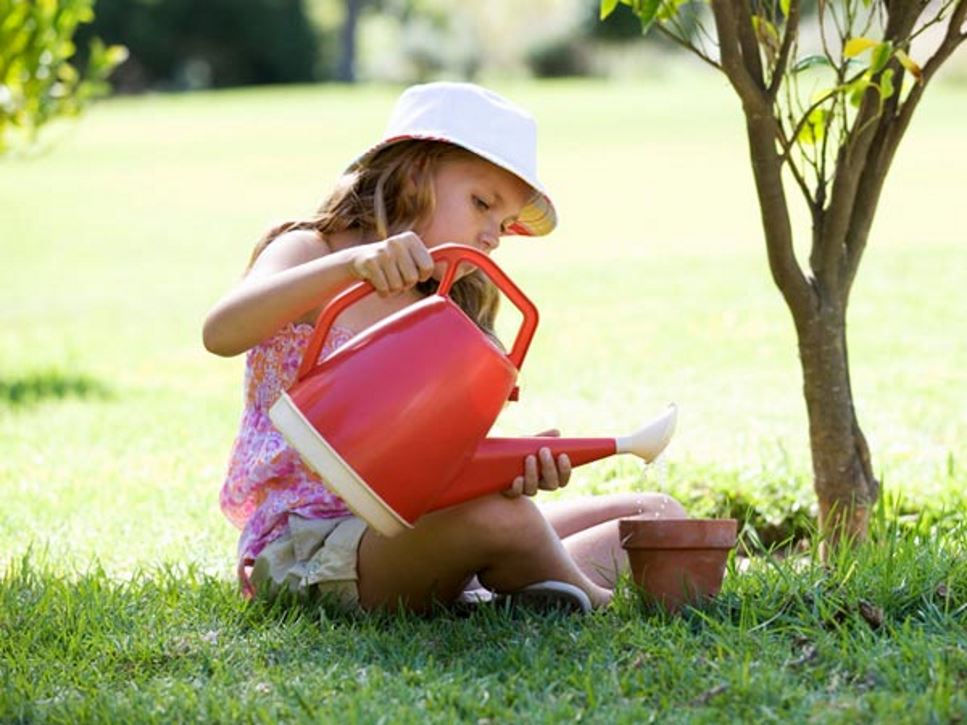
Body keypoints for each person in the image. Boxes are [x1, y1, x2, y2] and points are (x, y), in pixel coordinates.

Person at [203, 82, 686, 614]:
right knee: (504, 522)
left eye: (503, 223)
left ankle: (522, 583)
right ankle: (598, 606)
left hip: (414, 531)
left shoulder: (444, 309)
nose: (494, 236)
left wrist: (509, 471)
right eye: (482, 204)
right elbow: (221, 331)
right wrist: (349, 267)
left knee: (654, 512)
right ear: (413, 175)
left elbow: (431, 467)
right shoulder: (310, 251)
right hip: (312, 550)